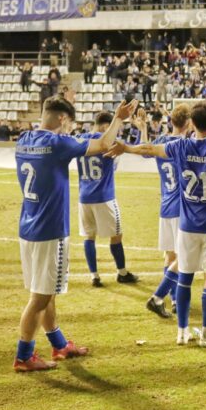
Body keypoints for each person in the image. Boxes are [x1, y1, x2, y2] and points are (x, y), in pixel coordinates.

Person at [13, 96, 137, 372]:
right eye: (70, 123)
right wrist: (119, 118)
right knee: (41, 297)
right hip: (50, 229)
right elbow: (105, 144)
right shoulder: (57, 143)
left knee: (47, 292)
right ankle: (24, 355)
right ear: (62, 119)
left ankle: (58, 344)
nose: (70, 129)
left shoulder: (23, 139)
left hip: (28, 227)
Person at [107, 101, 206, 347]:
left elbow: (151, 149)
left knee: (184, 276)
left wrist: (127, 148)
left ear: (192, 123)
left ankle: (182, 332)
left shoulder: (179, 146)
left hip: (187, 225)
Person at [76, 111, 138, 287]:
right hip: (104, 196)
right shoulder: (109, 141)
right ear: (105, 126)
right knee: (117, 235)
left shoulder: (80, 139)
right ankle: (122, 272)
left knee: (89, 236)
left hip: (84, 197)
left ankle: (94, 276)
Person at [144, 105, 191, 318]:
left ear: (170, 122)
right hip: (183, 206)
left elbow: (144, 150)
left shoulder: (161, 143)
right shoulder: (185, 145)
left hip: (166, 206)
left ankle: (170, 299)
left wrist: (142, 127)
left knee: (169, 255)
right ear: (188, 123)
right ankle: (168, 299)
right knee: (183, 257)